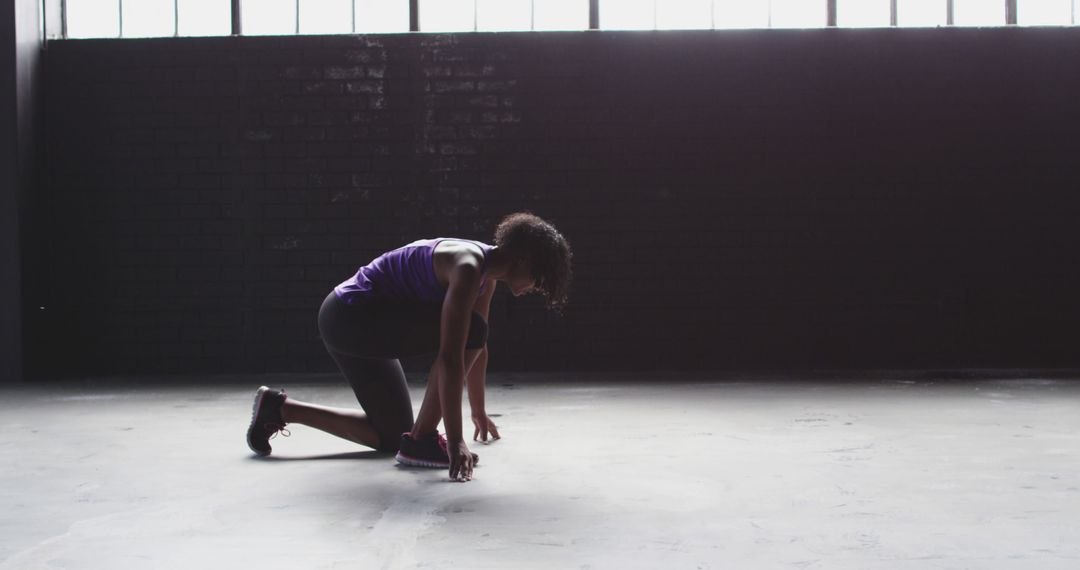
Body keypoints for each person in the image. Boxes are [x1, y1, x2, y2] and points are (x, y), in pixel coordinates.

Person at [245, 212, 572, 482]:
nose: (536, 286)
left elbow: (477, 348)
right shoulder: (469, 267)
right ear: (523, 259)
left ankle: (279, 408)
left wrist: (478, 410)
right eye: (539, 276)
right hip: (350, 317)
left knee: (390, 435)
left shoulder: (485, 275)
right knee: (470, 333)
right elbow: (451, 356)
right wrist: (455, 440)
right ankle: (422, 440)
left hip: (355, 321)